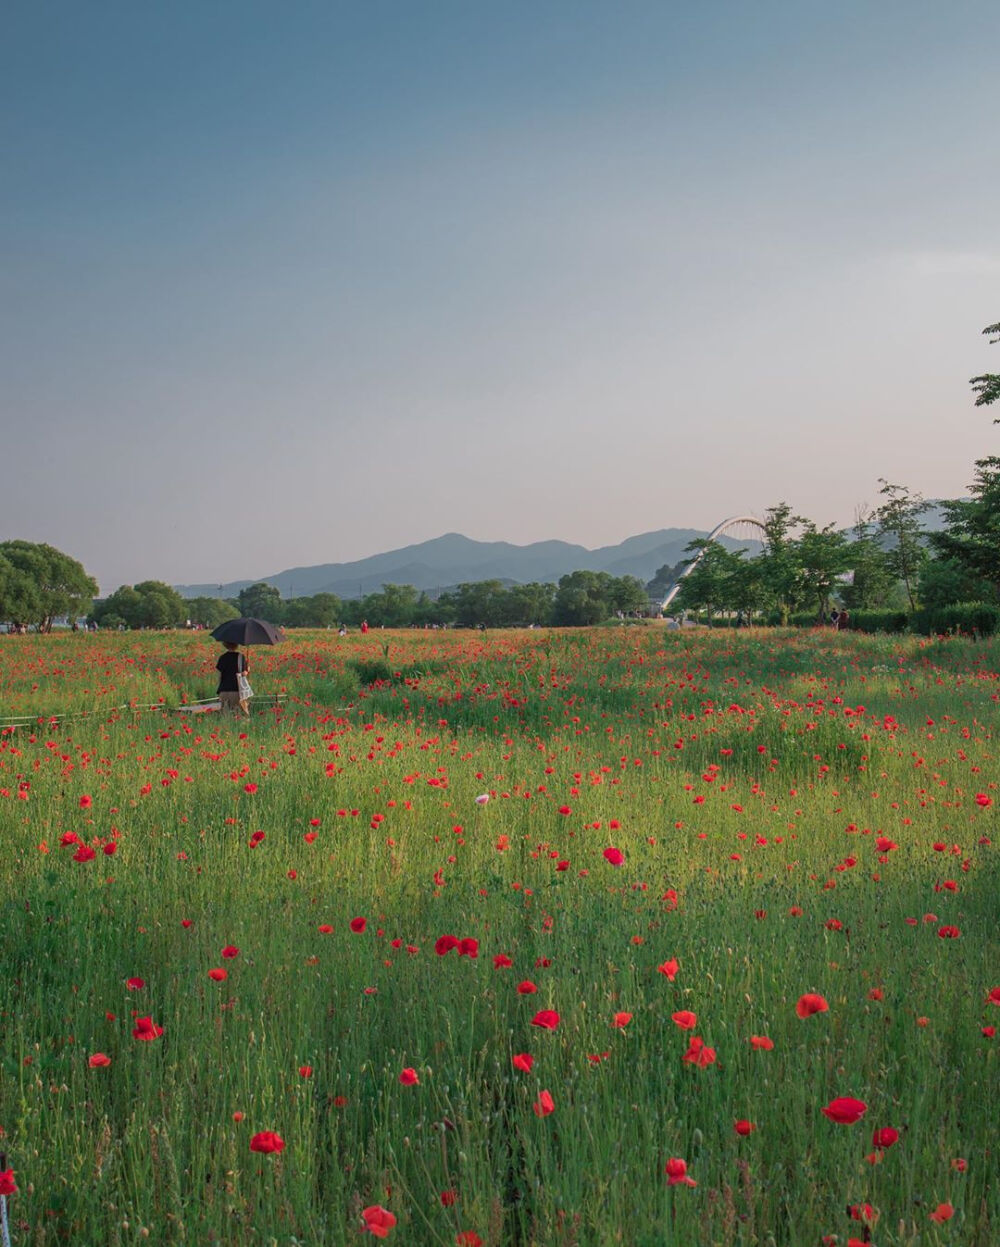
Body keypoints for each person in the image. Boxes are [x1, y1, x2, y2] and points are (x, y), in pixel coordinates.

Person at [216, 641, 250, 717]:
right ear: (236, 644)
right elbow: (244, 673)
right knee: (243, 717)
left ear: (225, 644)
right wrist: (247, 670)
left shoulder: (222, 658)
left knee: (225, 717)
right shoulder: (241, 657)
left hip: (223, 691)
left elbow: (220, 677)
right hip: (237, 691)